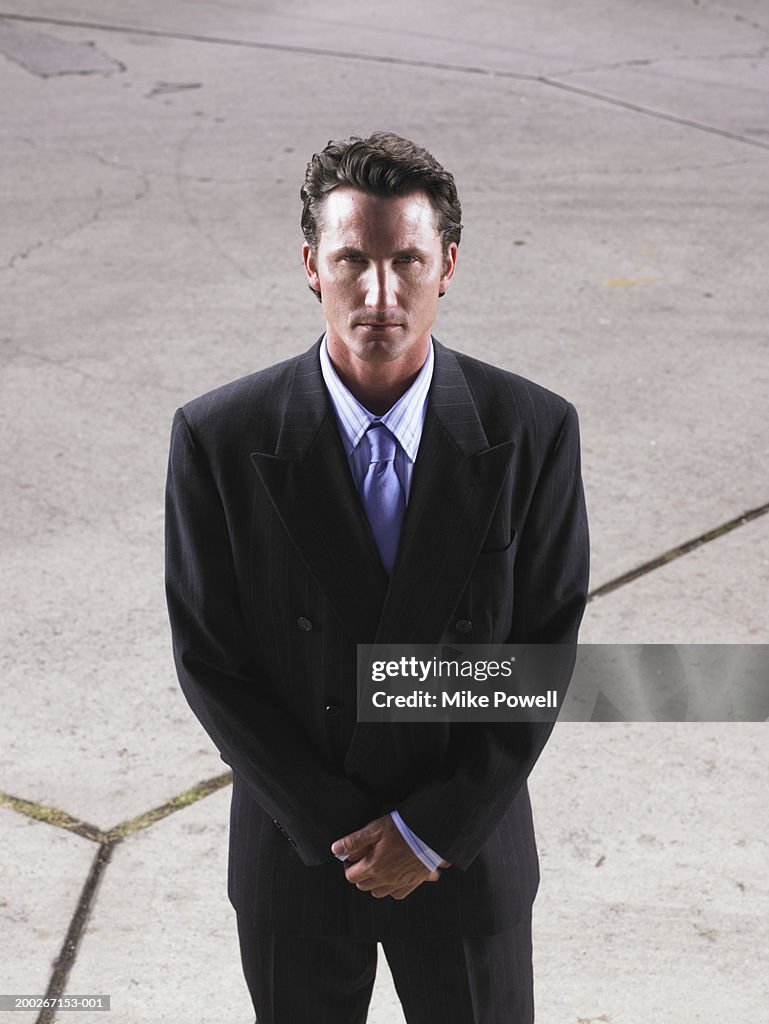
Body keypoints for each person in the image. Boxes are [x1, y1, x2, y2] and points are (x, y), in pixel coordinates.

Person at [165, 131, 589, 1024]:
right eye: (353, 258)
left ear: (449, 267)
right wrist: (347, 832)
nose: (381, 294)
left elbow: (540, 655)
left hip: (464, 851)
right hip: (300, 851)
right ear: (312, 265)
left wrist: (428, 830)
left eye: (407, 259)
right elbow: (214, 661)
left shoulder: (533, 429)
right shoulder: (219, 437)